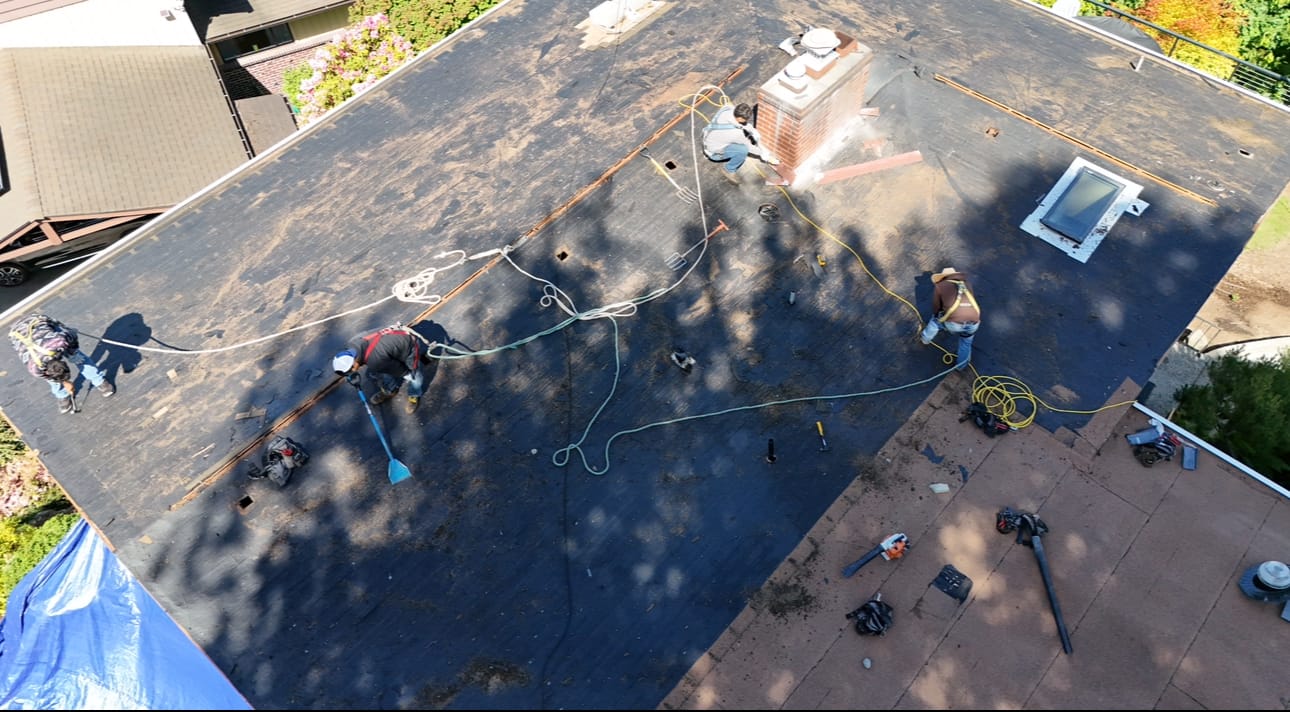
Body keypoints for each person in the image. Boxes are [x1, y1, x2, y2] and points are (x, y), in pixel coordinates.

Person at [8, 313, 114, 413]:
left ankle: (99, 381)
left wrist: (73, 354)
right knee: (52, 381)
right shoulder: (34, 368)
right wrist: (65, 382)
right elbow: (49, 377)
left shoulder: (59, 341)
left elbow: (71, 335)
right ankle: (62, 395)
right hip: (17, 333)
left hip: (36, 322)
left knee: (79, 358)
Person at [332, 324, 429, 414]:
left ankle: (414, 395)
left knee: (414, 376)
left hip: (409, 345)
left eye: (350, 371)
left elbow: (399, 369)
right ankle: (390, 390)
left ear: (354, 363)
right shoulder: (353, 343)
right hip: (389, 346)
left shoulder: (375, 360)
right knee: (383, 371)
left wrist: (406, 373)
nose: (351, 373)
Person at [702, 101, 780, 183]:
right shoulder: (736, 134)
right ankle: (728, 169)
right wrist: (764, 155)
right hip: (713, 152)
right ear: (739, 118)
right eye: (745, 120)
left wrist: (752, 130)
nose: (746, 121)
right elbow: (750, 147)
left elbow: (740, 124)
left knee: (738, 141)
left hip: (709, 138)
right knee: (743, 150)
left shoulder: (728, 109)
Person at [920, 268, 981, 371]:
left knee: (935, 321)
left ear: (943, 277)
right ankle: (961, 366)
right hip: (973, 323)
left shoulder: (940, 286)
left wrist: (939, 316)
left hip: (954, 324)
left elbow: (936, 307)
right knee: (965, 342)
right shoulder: (967, 284)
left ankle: (925, 339)